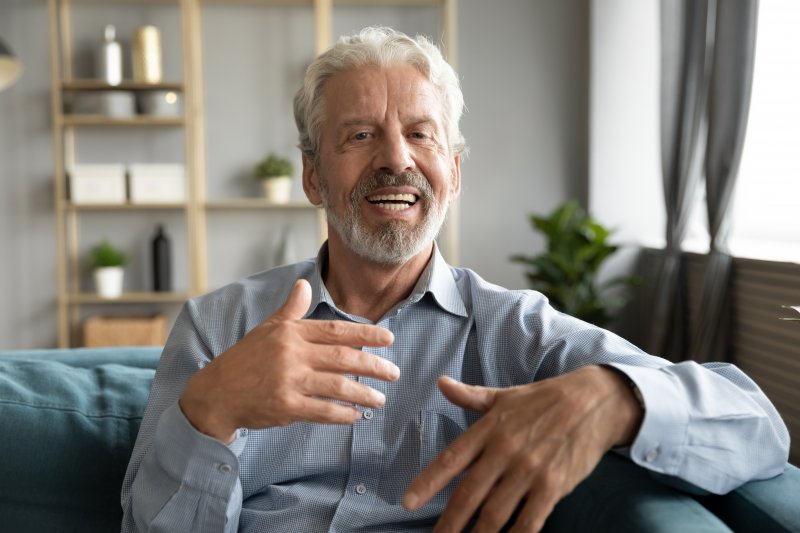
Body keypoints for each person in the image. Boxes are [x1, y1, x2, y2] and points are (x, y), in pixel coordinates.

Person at [121, 26, 789, 533]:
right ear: (312, 173)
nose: (395, 159)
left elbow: (761, 428)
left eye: (421, 133)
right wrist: (209, 413)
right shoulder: (218, 327)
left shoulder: (518, 333)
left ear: (454, 171)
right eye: (358, 135)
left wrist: (616, 396)